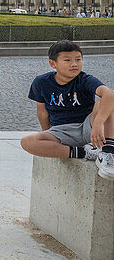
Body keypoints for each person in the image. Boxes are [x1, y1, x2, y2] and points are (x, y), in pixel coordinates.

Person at [20, 40, 114, 179]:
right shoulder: (41, 82)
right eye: (67, 60)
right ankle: (84, 152)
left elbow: (109, 94)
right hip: (62, 130)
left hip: (89, 126)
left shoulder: (85, 79)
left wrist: (99, 123)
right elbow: (42, 112)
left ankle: (108, 153)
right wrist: (47, 135)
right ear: (53, 63)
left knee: (105, 101)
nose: (74, 64)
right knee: (27, 142)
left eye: (78, 59)